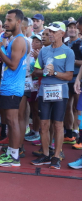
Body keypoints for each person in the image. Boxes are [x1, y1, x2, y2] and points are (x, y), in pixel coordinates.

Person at [31, 22, 74, 169]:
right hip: (45, 91)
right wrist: (43, 71)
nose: (51, 34)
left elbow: (69, 76)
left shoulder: (68, 52)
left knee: (58, 124)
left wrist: (54, 72)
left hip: (60, 92)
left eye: (54, 32)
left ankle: (56, 156)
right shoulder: (44, 51)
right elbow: (35, 71)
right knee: (43, 124)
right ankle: (45, 154)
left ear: (62, 34)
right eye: (49, 31)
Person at [0, 9, 28, 167]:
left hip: (13, 88)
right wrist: (0, 49)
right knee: (11, 121)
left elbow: (13, 65)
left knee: (13, 122)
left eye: (9, 20)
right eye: (6, 20)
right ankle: (12, 153)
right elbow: (6, 60)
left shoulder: (19, 41)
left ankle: (14, 156)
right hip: (9, 87)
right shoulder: (13, 39)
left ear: (18, 22)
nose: (6, 23)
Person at [64, 20, 81, 144]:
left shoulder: (80, 43)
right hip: (67, 78)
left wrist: (73, 61)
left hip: (77, 79)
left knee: (78, 108)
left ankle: (77, 132)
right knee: (66, 107)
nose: (72, 29)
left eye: (74, 27)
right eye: (70, 27)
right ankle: (69, 133)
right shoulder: (64, 43)